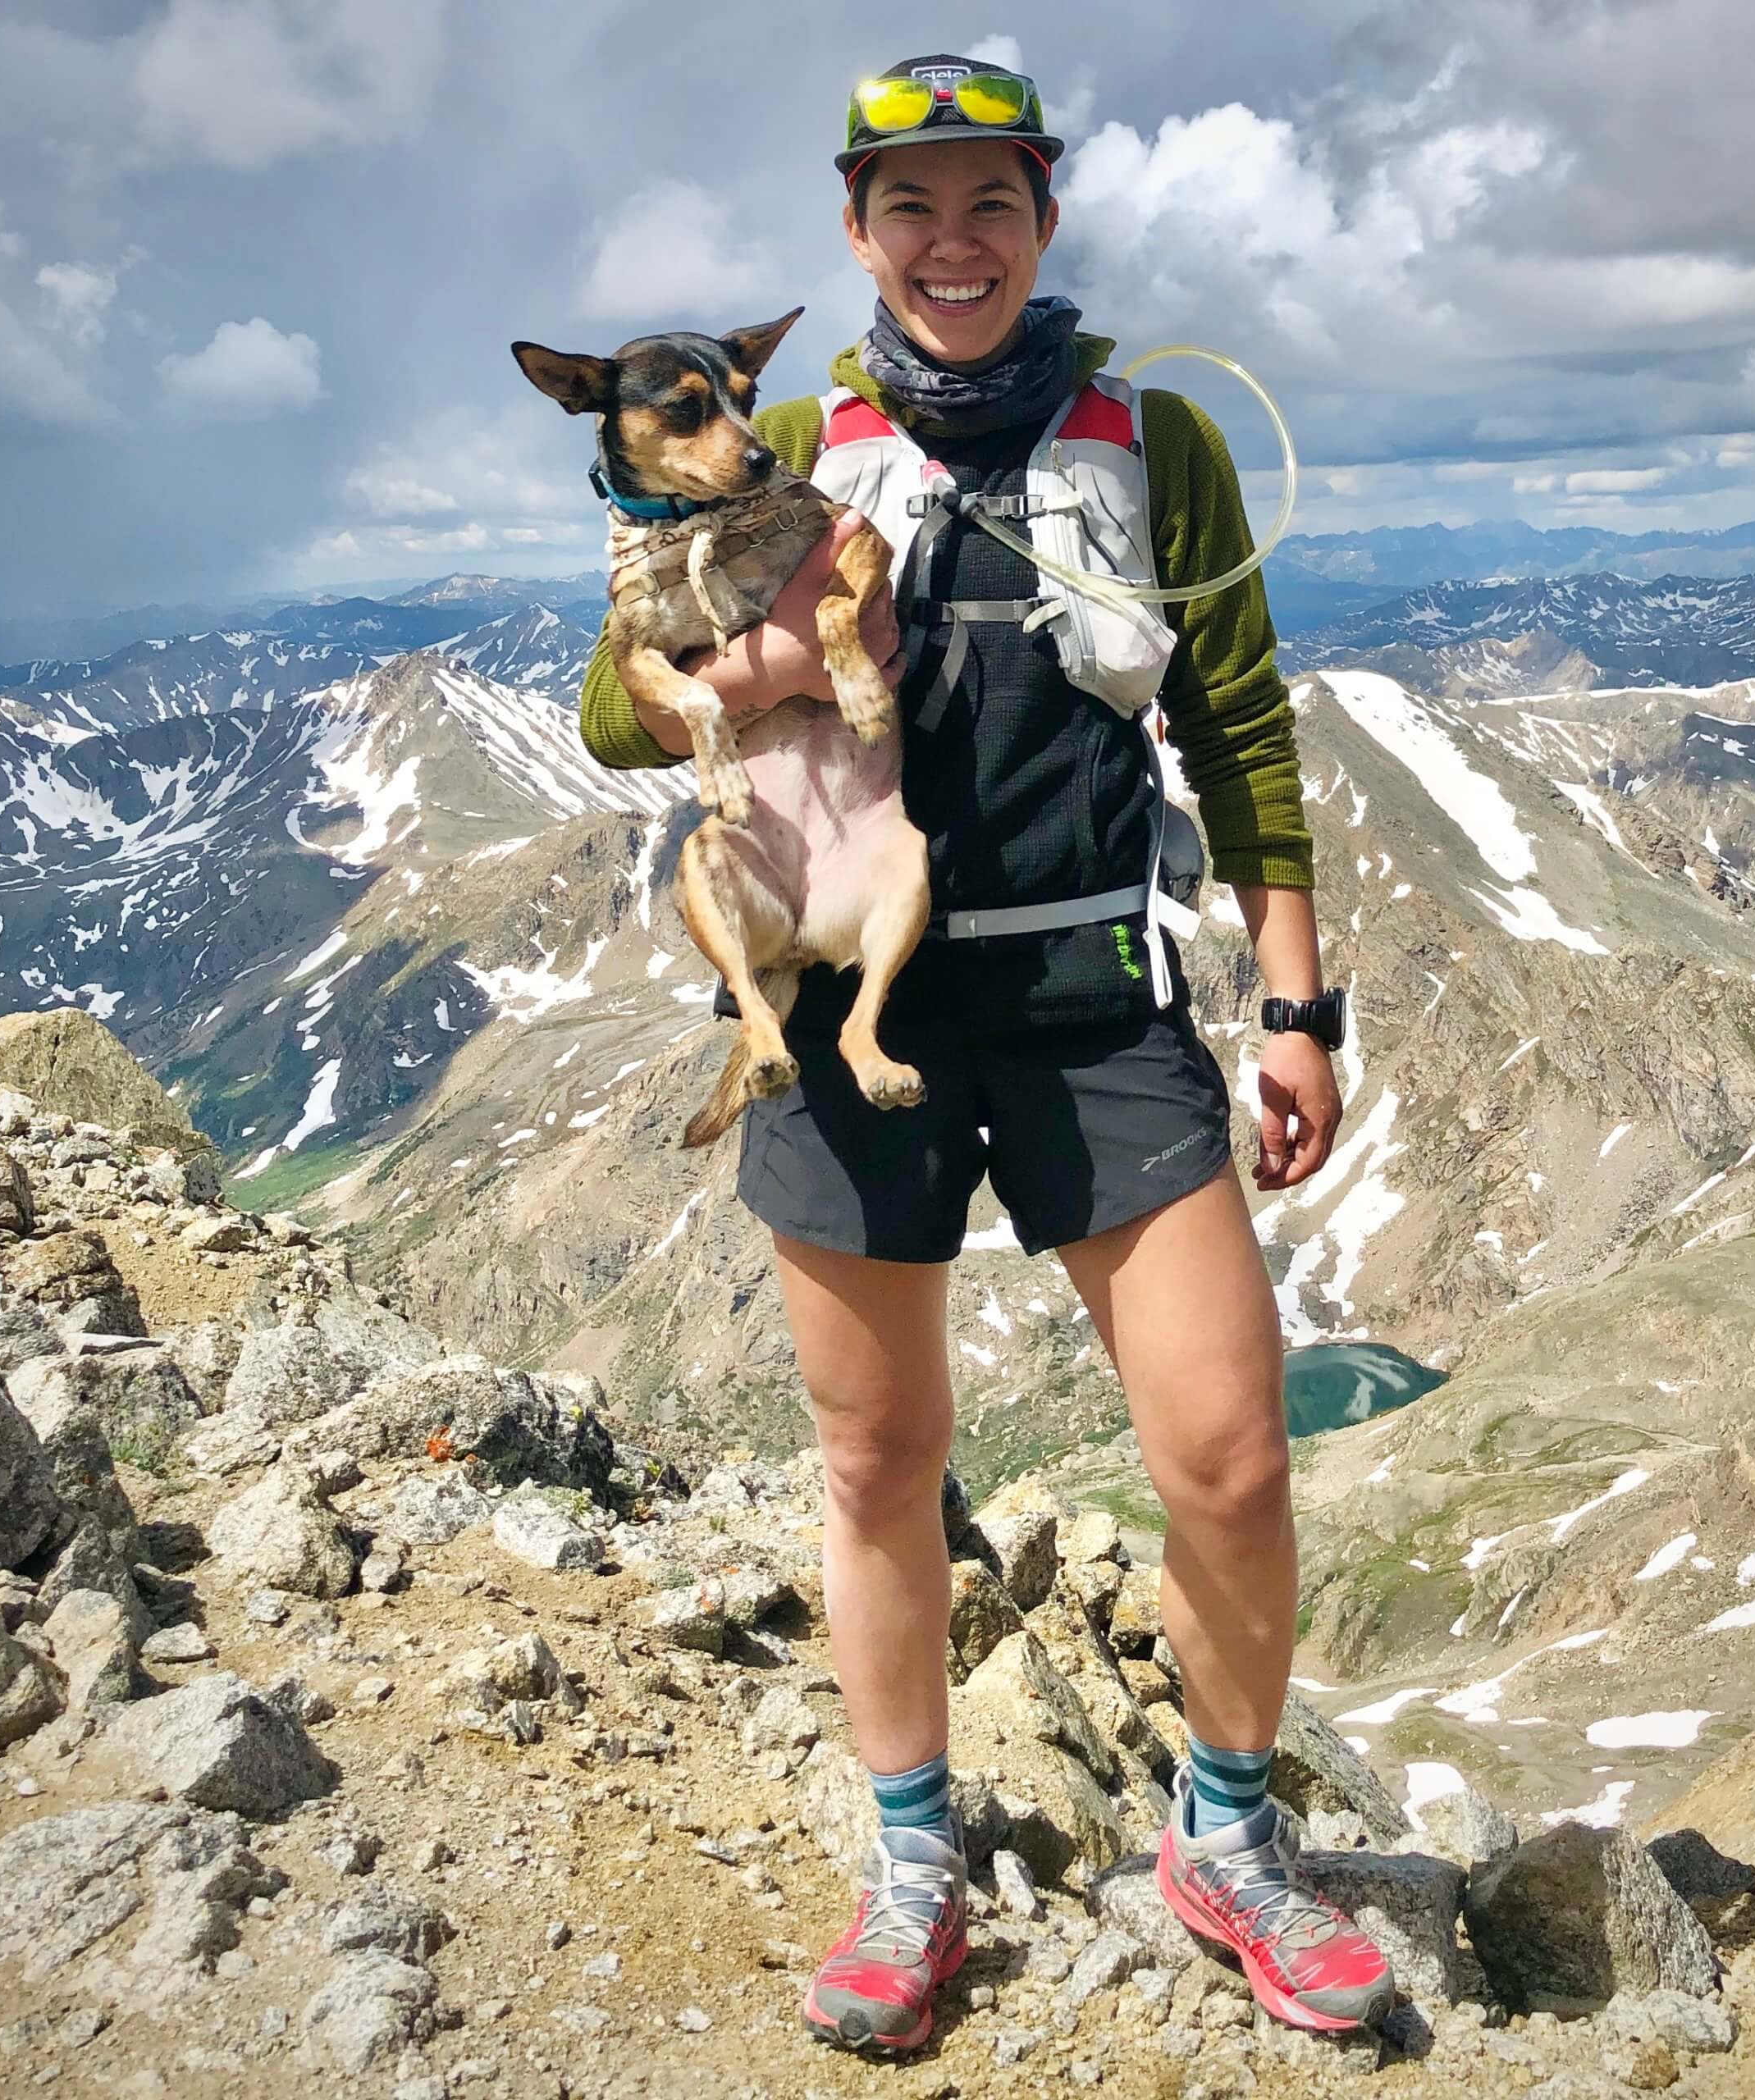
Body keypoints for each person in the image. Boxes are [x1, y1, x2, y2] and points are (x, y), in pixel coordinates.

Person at [576, 52, 1393, 2056]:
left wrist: (1289, 1003)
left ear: (1042, 223)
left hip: (1092, 1000)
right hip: (859, 1010)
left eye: (991, 206)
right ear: (855, 234)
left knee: (1225, 1449)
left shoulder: (1159, 441)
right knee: (877, 1459)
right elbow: (617, 712)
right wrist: (754, 661)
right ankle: (911, 1860)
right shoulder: (764, 433)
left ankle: (1222, 1836)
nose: (952, 243)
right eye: (910, 208)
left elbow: (1243, 736)